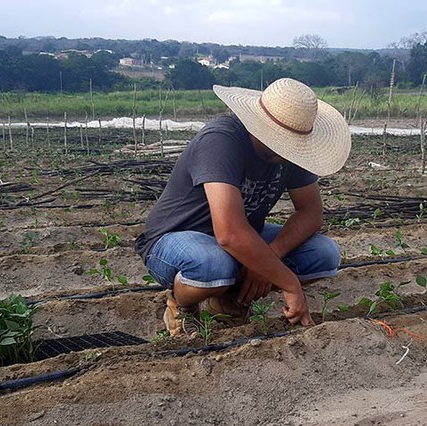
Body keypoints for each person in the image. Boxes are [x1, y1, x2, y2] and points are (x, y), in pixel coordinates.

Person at [135, 78, 351, 336]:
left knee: (324, 253)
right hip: (175, 238)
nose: (289, 151)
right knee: (213, 264)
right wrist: (289, 283)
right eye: (283, 140)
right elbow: (229, 233)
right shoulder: (221, 140)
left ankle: (226, 301)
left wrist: (271, 257)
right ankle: (181, 303)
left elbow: (311, 213)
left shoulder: (293, 153)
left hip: (240, 237)